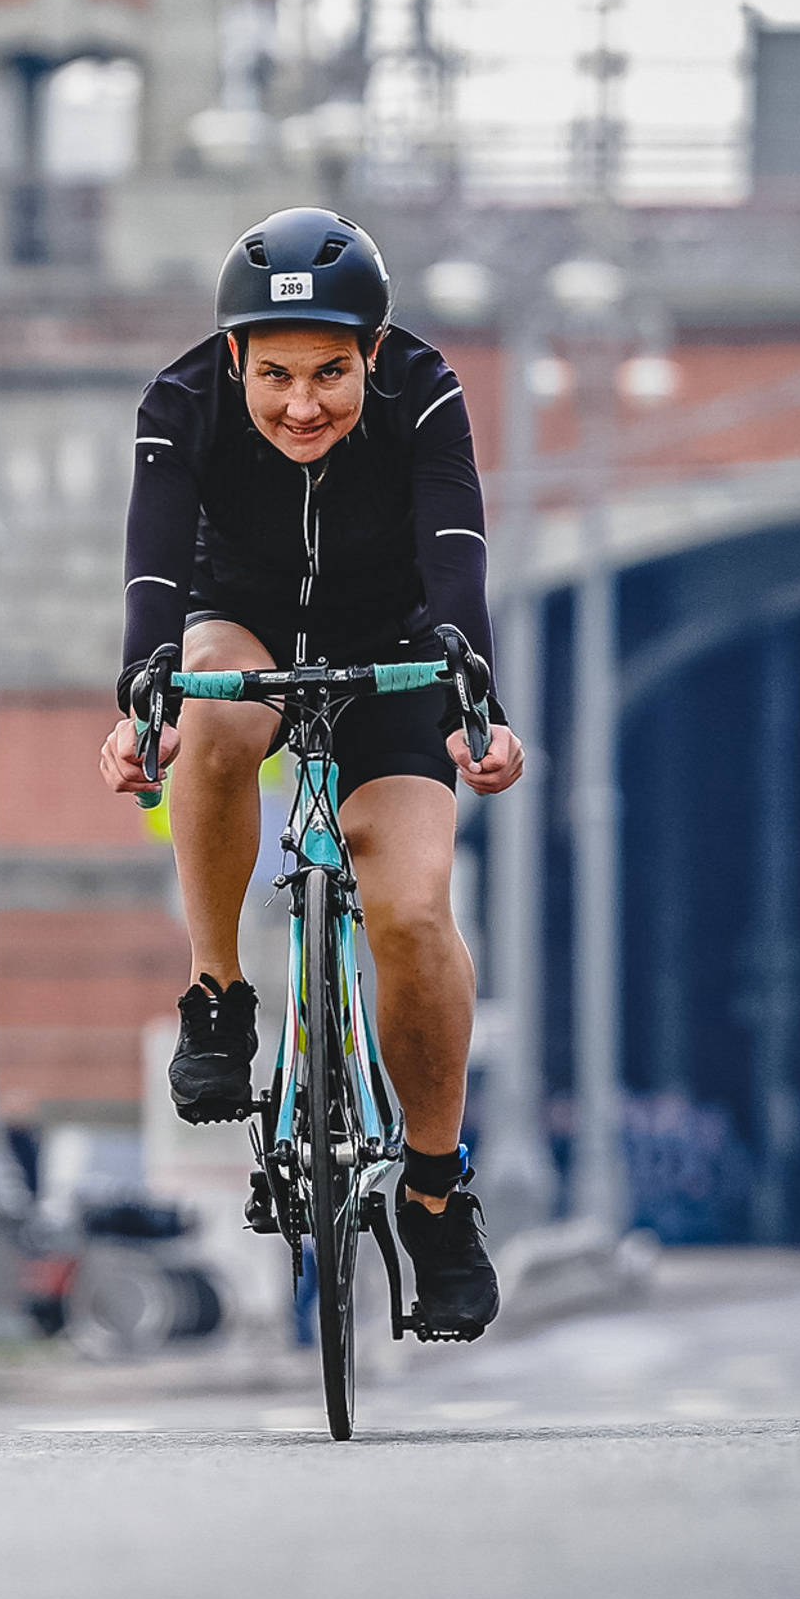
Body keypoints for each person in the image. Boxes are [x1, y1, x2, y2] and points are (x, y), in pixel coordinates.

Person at [94, 207, 524, 1337]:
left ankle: (435, 1198)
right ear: (234, 354)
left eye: (331, 373)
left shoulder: (423, 391)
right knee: (209, 704)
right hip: (239, 631)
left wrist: (474, 699)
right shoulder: (179, 403)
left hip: (392, 652)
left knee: (414, 915)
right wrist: (141, 698)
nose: (301, 406)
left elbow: (456, 548)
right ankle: (217, 997)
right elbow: (152, 566)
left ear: (371, 354)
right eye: (275, 374)